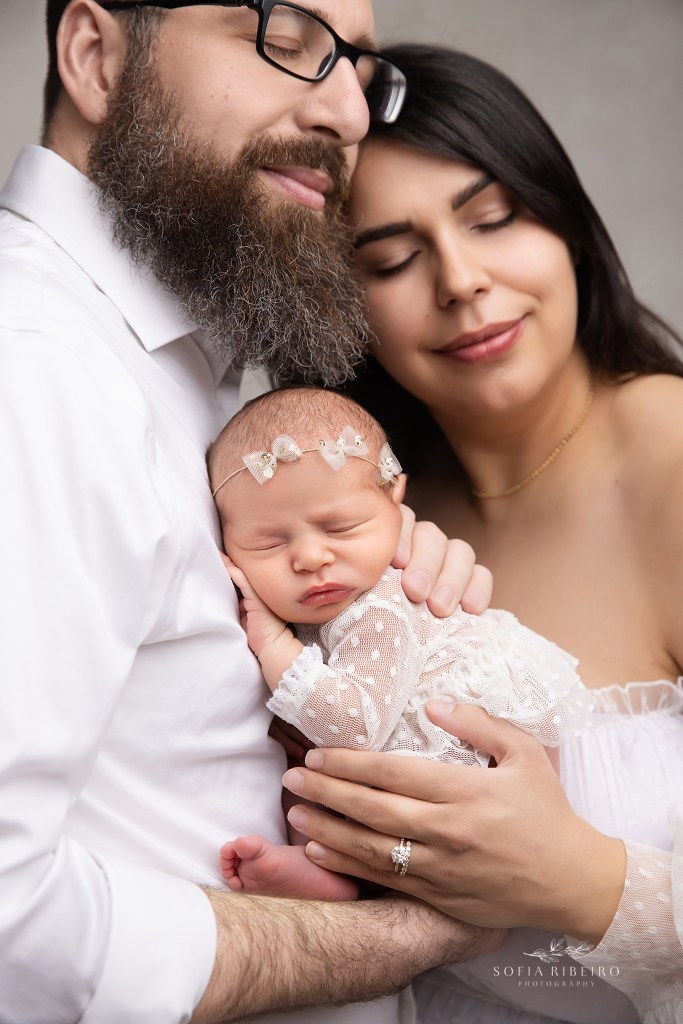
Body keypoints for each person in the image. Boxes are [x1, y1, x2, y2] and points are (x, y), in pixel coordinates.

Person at [0, 11, 501, 1024]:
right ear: (97, 57)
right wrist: (411, 935)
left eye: (358, 66)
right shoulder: (36, 368)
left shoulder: (178, 361)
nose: (348, 110)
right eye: (282, 30)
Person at [275, 45, 683, 1024]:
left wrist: (579, 879)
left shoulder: (667, 456)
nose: (459, 280)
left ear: (567, 227)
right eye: (389, 258)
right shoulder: (355, 533)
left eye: (492, 218)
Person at [207, 385, 594, 899]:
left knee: (327, 765)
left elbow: (352, 729)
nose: (310, 557)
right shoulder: (333, 597)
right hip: (427, 778)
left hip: (485, 773)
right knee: (304, 771)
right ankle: (323, 869)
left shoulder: (382, 606)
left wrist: (276, 644)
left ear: (396, 502)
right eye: (269, 543)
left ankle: (336, 875)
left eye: (341, 527)